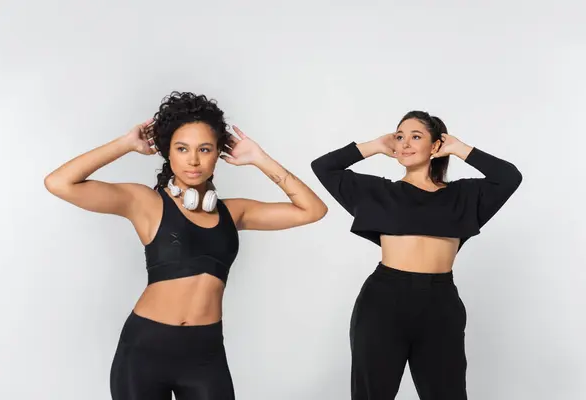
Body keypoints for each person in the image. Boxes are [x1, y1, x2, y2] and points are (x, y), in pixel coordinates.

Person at [44, 91, 328, 400]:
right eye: (182, 149)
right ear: (168, 153)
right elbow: (59, 183)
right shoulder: (146, 203)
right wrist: (125, 144)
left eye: (204, 149)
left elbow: (312, 210)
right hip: (144, 351)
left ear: (218, 153)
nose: (193, 160)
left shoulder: (234, 213)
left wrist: (260, 159)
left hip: (205, 354)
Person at [310, 110, 522, 400]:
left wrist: (458, 148)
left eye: (416, 136)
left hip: (440, 304)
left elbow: (509, 177)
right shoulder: (377, 192)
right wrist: (374, 145)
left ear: (436, 146)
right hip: (383, 302)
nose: (405, 143)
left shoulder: (464, 196)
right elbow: (323, 167)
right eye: (400, 136)